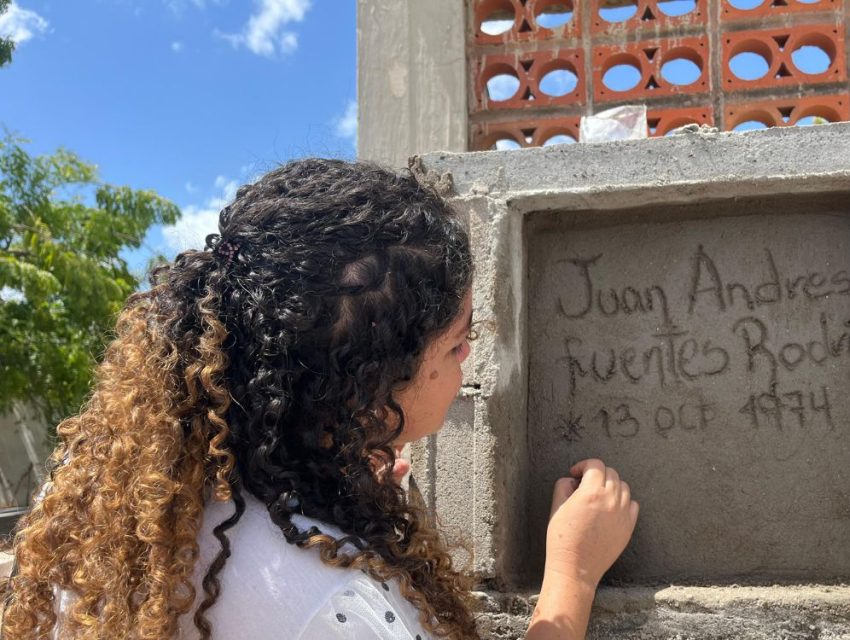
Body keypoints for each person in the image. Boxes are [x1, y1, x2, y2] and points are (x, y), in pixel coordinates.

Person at [1, 159, 639, 639]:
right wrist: (571, 579)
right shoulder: (329, 608)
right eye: (454, 344)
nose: (468, 358)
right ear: (364, 391)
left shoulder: (130, 519)